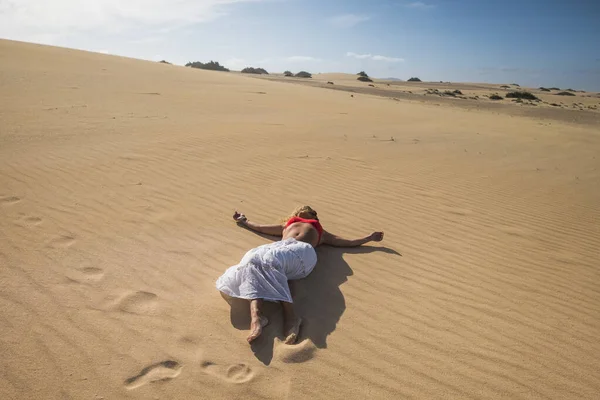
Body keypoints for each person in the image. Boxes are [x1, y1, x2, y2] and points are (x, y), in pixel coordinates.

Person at [216, 206, 384, 344]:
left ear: (314, 217)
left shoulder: (321, 232)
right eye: (304, 209)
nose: (307, 210)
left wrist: (369, 238)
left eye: (311, 211)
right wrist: (244, 220)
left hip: (303, 254)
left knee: (270, 261)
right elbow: (259, 227)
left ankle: (291, 318)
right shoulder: (286, 225)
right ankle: (257, 316)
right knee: (252, 259)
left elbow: (346, 242)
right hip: (279, 251)